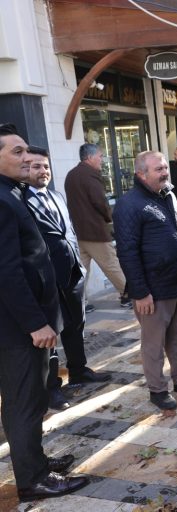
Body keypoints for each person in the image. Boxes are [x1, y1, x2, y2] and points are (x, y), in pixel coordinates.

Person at [0, 123, 88, 501]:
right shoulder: (2, 201)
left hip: (25, 324)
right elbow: (7, 270)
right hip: (18, 330)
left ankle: (34, 462)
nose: (26, 157)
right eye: (16, 152)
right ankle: (32, 481)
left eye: (26, 151)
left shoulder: (12, 194)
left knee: (32, 399)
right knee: (25, 401)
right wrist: (36, 323)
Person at [113, 151, 177, 410]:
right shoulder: (129, 204)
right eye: (158, 169)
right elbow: (126, 251)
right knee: (154, 344)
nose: (165, 172)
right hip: (153, 291)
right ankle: (157, 389)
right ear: (141, 174)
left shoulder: (169, 195)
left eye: (166, 167)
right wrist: (140, 291)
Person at [24, 147, 111, 410]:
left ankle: (79, 370)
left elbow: (68, 231)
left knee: (76, 326)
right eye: (36, 166)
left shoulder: (57, 196)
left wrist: (80, 268)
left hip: (72, 273)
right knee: (51, 338)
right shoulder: (20, 202)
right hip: (46, 281)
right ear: (25, 169)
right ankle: (51, 389)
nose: (43, 171)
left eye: (46, 166)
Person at [64, 143, 130, 311]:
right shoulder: (91, 175)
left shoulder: (71, 175)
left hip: (78, 232)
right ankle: (128, 295)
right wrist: (110, 218)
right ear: (89, 157)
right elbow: (100, 202)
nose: (102, 160)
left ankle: (80, 302)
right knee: (112, 266)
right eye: (100, 156)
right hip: (95, 232)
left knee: (80, 271)